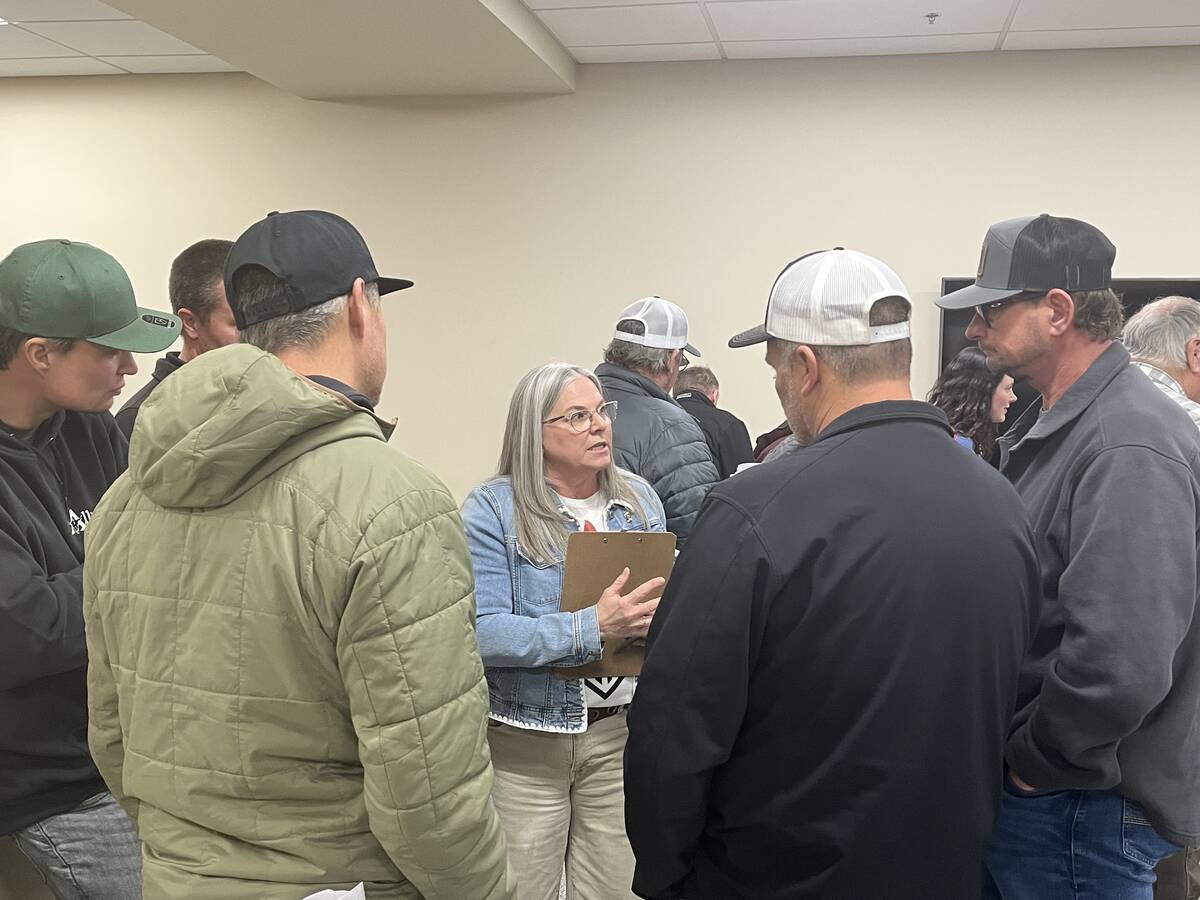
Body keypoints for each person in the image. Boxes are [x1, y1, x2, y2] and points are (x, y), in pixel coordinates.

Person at [82, 210, 515, 900]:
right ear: (358, 309)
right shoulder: (393, 504)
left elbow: (111, 735)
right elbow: (430, 795)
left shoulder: (124, 500)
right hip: (341, 882)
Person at [625, 248, 1039, 900]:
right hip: (947, 874)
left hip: (771, 878)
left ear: (806, 367)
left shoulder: (754, 511)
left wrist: (665, 877)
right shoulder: (1002, 504)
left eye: (775, 371)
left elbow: (672, 733)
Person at [938, 214, 1200, 899]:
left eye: (991, 309)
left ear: (1057, 310)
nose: (973, 329)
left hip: (1077, 810)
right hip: (1059, 805)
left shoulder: (1127, 441)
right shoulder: (1067, 425)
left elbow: (1123, 659)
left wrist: (1034, 761)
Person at [0, 238, 179, 899]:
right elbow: (29, 635)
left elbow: (168, 548)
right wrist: (129, 575)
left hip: (129, 756)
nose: (130, 367)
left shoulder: (92, 430)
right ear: (41, 353)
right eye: (107, 350)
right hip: (48, 783)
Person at [461, 362, 667, 900]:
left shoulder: (640, 502)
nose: (599, 425)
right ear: (535, 432)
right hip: (527, 742)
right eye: (578, 416)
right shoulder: (494, 510)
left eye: (602, 411)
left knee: (617, 890)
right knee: (522, 889)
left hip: (619, 736)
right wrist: (590, 628)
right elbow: (483, 632)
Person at [596, 297, 719, 545]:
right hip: (641, 576)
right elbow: (698, 532)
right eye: (682, 361)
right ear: (672, 359)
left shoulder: (571, 408)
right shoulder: (673, 426)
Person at [115, 238, 236, 437]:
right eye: (236, 323)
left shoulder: (265, 392)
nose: (255, 333)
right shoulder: (141, 419)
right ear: (190, 323)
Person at [927, 345, 1018, 464]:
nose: (1014, 398)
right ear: (983, 391)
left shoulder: (939, 434)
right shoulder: (959, 448)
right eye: (1008, 388)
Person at [672, 365, 754, 478]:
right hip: (710, 493)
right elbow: (745, 479)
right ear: (714, 394)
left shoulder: (655, 418)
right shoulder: (728, 423)